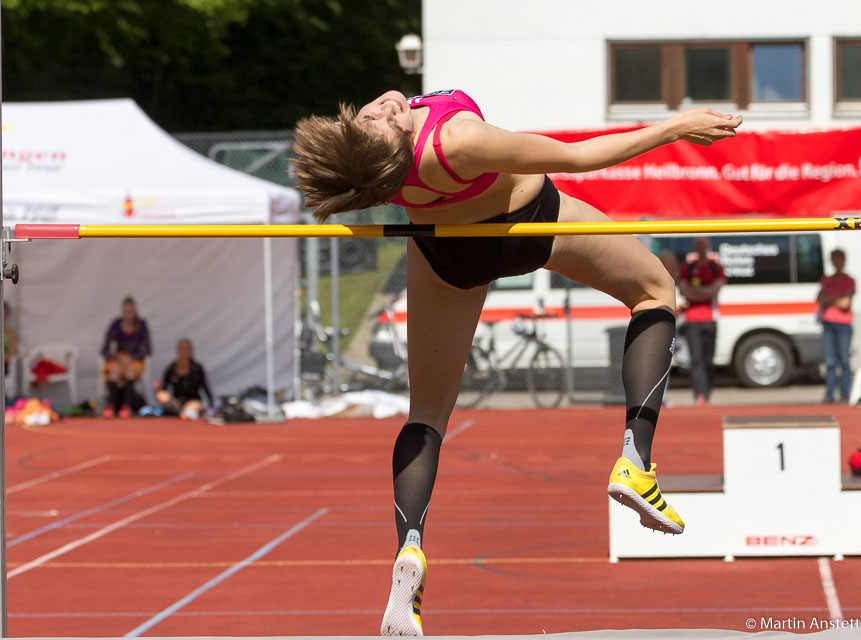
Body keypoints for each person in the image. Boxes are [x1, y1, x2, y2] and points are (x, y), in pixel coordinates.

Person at [292, 89, 741, 636]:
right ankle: (634, 462)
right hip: (527, 223)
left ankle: (410, 548)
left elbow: (358, 156)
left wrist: (368, 134)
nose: (386, 107)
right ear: (396, 150)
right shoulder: (457, 140)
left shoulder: (373, 169)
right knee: (654, 289)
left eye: (371, 114)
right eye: (387, 121)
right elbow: (578, 157)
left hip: (445, 251)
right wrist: (674, 130)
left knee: (427, 415)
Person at [678, 237, 726, 407]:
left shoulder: (716, 268)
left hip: (710, 319)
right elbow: (684, 291)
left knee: (708, 359)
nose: (701, 249)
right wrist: (703, 293)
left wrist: (696, 293)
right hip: (692, 320)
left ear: (708, 247)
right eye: (698, 246)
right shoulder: (687, 268)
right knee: (696, 358)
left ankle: (707, 391)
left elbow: (714, 290)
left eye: (703, 245)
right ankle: (700, 394)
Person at [100, 296, 152, 418]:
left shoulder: (141, 325)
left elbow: (147, 349)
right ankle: (111, 406)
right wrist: (118, 358)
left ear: (135, 311)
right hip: (119, 358)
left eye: (131, 311)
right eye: (125, 311)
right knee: (114, 371)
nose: (128, 313)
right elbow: (104, 350)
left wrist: (132, 357)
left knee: (130, 372)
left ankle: (127, 406)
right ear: (122, 311)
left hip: (135, 360)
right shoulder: (116, 324)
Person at [817, 249, 856, 403]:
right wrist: (837, 299)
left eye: (839, 259)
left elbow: (846, 303)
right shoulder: (826, 279)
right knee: (830, 361)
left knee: (844, 360)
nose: (837, 262)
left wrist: (830, 299)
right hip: (828, 324)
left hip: (843, 325)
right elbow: (820, 299)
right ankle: (830, 394)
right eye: (834, 259)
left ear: (844, 261)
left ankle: (845, 393)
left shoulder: (849, 280)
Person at [154, 338, 214, 420]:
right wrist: (158, 389)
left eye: (186, 350)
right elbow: (164, 389)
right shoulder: (171, 368)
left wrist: (211, 406)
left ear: (190, 352)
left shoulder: (197, 368)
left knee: (195, 405)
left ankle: (186, 412)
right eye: (181, 349)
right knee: (161, 395)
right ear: (177, 351)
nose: (184, 353)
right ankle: (181, 412)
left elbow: (205, 387)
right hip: (176, 402)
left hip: (192, 401)